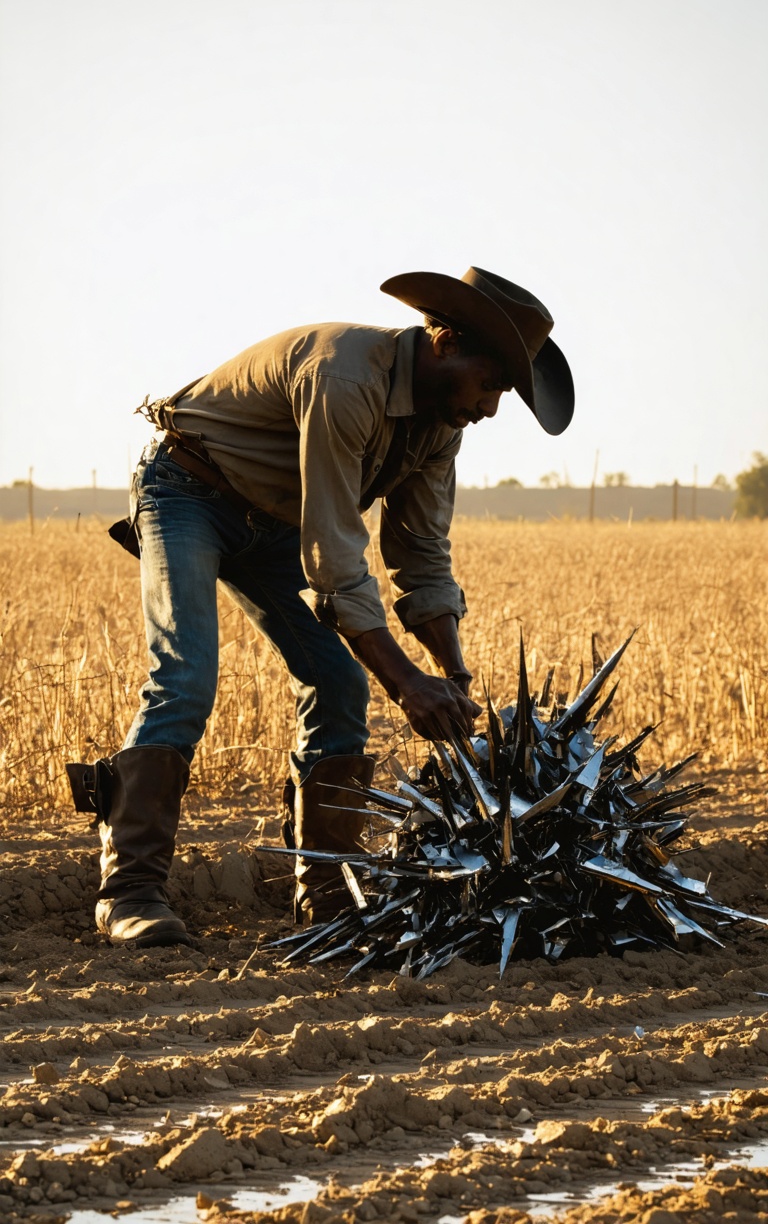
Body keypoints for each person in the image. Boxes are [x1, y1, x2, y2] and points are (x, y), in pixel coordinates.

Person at [66, 266, 574, 946]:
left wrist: (451, 679)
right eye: (491, 385)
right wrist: (405, 683)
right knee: (185, 677)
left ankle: (327, 892)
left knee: (337, 683)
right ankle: (128, 892)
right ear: (446, 342)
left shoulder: (439, 426)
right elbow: (334, 558)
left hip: (273, 525)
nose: (489, 410)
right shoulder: (346, 377)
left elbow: (419, 554)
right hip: (188, 493)